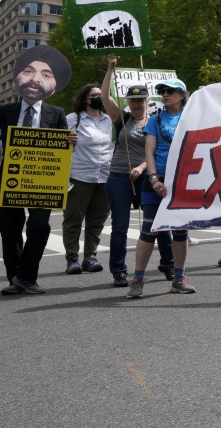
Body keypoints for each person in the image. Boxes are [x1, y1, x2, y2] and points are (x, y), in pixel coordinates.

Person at [0, 45, 77, 295]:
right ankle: (16, 279)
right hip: (12, 177)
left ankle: (27, 276)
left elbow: (63, 150)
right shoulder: (6, 111)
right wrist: (3, 145)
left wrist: (70, 143)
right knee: (10, 228)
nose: (35, 80)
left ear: (53, 85)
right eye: (29, 72)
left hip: (43, 180)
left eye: (46, 75)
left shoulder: (57, 113)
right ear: (19, 78)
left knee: (40, 225)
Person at [101, 55, 174, 287]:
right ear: (128, 102)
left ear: (147, 100)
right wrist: (110, 70)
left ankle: (168, 263)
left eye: (140, 99)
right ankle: (119, 271)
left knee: (159, 223)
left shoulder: (156, 121)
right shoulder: (121, 119)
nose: (136, 103)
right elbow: (104, 97)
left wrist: (142, 167)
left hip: (148, 176)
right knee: (120, 225)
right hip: (119, 177)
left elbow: (156, 151)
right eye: (132, 100)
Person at [127, 78, 195, 297]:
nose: (165, 94)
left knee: (180, 231)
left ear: (182, 95)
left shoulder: (193, 118)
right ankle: (137, 279)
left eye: (171, 91)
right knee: (149, 231)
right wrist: (154, 177)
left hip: (183, 181)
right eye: (162, 91)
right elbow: (149, 152)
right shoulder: (155, 120)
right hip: (156, 181)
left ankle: (179, 278)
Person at [63, 83, 113, 274]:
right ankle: (72, 259)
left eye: (101, 94)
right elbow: (58, 141)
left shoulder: (110, 120)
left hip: (104, 178)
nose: (98, 98)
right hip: (79, 176)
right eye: (94, 95)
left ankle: (90, 257)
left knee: (97, 221)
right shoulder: (72, 119)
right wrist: (66, 140)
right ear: (85, 98)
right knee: (73, 219)